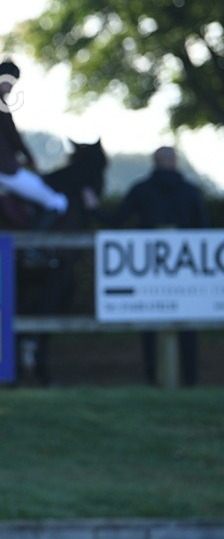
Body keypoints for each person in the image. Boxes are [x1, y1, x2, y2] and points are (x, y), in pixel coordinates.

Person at [100, 146, 209, 385]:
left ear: (154, 162)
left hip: (148, 272)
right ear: (174, 162)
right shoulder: (191, 192)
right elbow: (203, 230)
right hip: (186, 272)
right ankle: (190, 380)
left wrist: (92, 208)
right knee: (187, 325)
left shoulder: (142, 190)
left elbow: (117, 219)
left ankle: (153, 379)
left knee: (150, 324)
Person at [0, 60, 69, 224]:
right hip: (2, 169)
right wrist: (30, 159)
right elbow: (14, 138)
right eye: (6, 79)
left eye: (12, 81)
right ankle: (34, 246)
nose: (10, 84)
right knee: (56, 201)